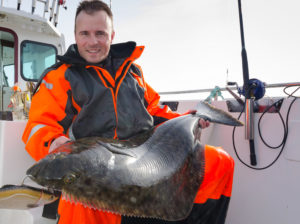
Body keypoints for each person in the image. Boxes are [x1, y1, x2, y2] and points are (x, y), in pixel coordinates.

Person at [22, 1, 234, 224]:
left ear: (112, 35)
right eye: (85, 33)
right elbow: (39, 125)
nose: (93, 42)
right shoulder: (59, 77)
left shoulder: (132, 71)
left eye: (100, 33)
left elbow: (153, 110)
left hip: (145, 158)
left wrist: (186, 118)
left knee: (220, 162)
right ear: (75, 35)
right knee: (78, 204)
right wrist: (54, 143)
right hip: (97, 173)